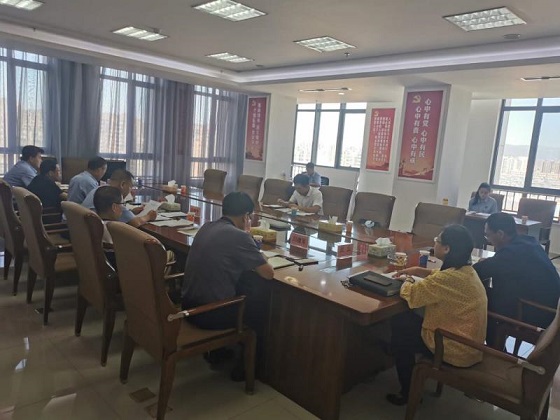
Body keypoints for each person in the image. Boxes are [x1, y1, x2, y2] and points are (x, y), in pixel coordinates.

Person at [386, 225, 487, 406]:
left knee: (401, 326)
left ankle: (409, 393)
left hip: (453, 348)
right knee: (407, 321)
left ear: (447, 248)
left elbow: (413, 295)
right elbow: (440, 277)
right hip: (470, 345)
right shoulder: (467, 271)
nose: (435, 243)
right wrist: (417, 270)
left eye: (437, 240)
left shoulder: (447, 279)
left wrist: (406, 280)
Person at [181, 192, 274, 377]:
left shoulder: (208, 226)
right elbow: (268, 273)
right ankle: (248, 369)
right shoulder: (239, 236)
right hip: (208, 315)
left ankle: (217, 353)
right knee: (259, 308)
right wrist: (258, 251)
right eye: (250, 217)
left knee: (242, 288)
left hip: (188, 306)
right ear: (246, 216)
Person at [473, 212, 560, 345]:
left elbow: (476, 272)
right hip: (550, 308)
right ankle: (496, 346)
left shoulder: (511, 253)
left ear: (500, 234)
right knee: (493, 294)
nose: (487, 239)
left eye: (488, 235)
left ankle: (493, 349)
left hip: (537, 313)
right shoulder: (527, 242)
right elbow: (501, 265)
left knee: (482, 300)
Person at [83, 169, 156, 227]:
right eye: (130, 187)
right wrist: (149, 216)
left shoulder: (100, 190)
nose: (130, 191)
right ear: (123, 184)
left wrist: (131, 211)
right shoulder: (113, 196)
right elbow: (135, 222)